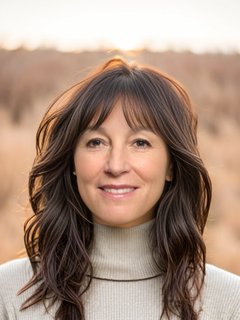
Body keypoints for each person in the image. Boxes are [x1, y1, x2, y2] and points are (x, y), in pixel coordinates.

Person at [0, 57, 239, 320]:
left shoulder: (228, 302)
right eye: (96, 142)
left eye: (140, 143)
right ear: (72, 162)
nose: (115, 165)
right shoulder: (9, 294)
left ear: (171, 166)